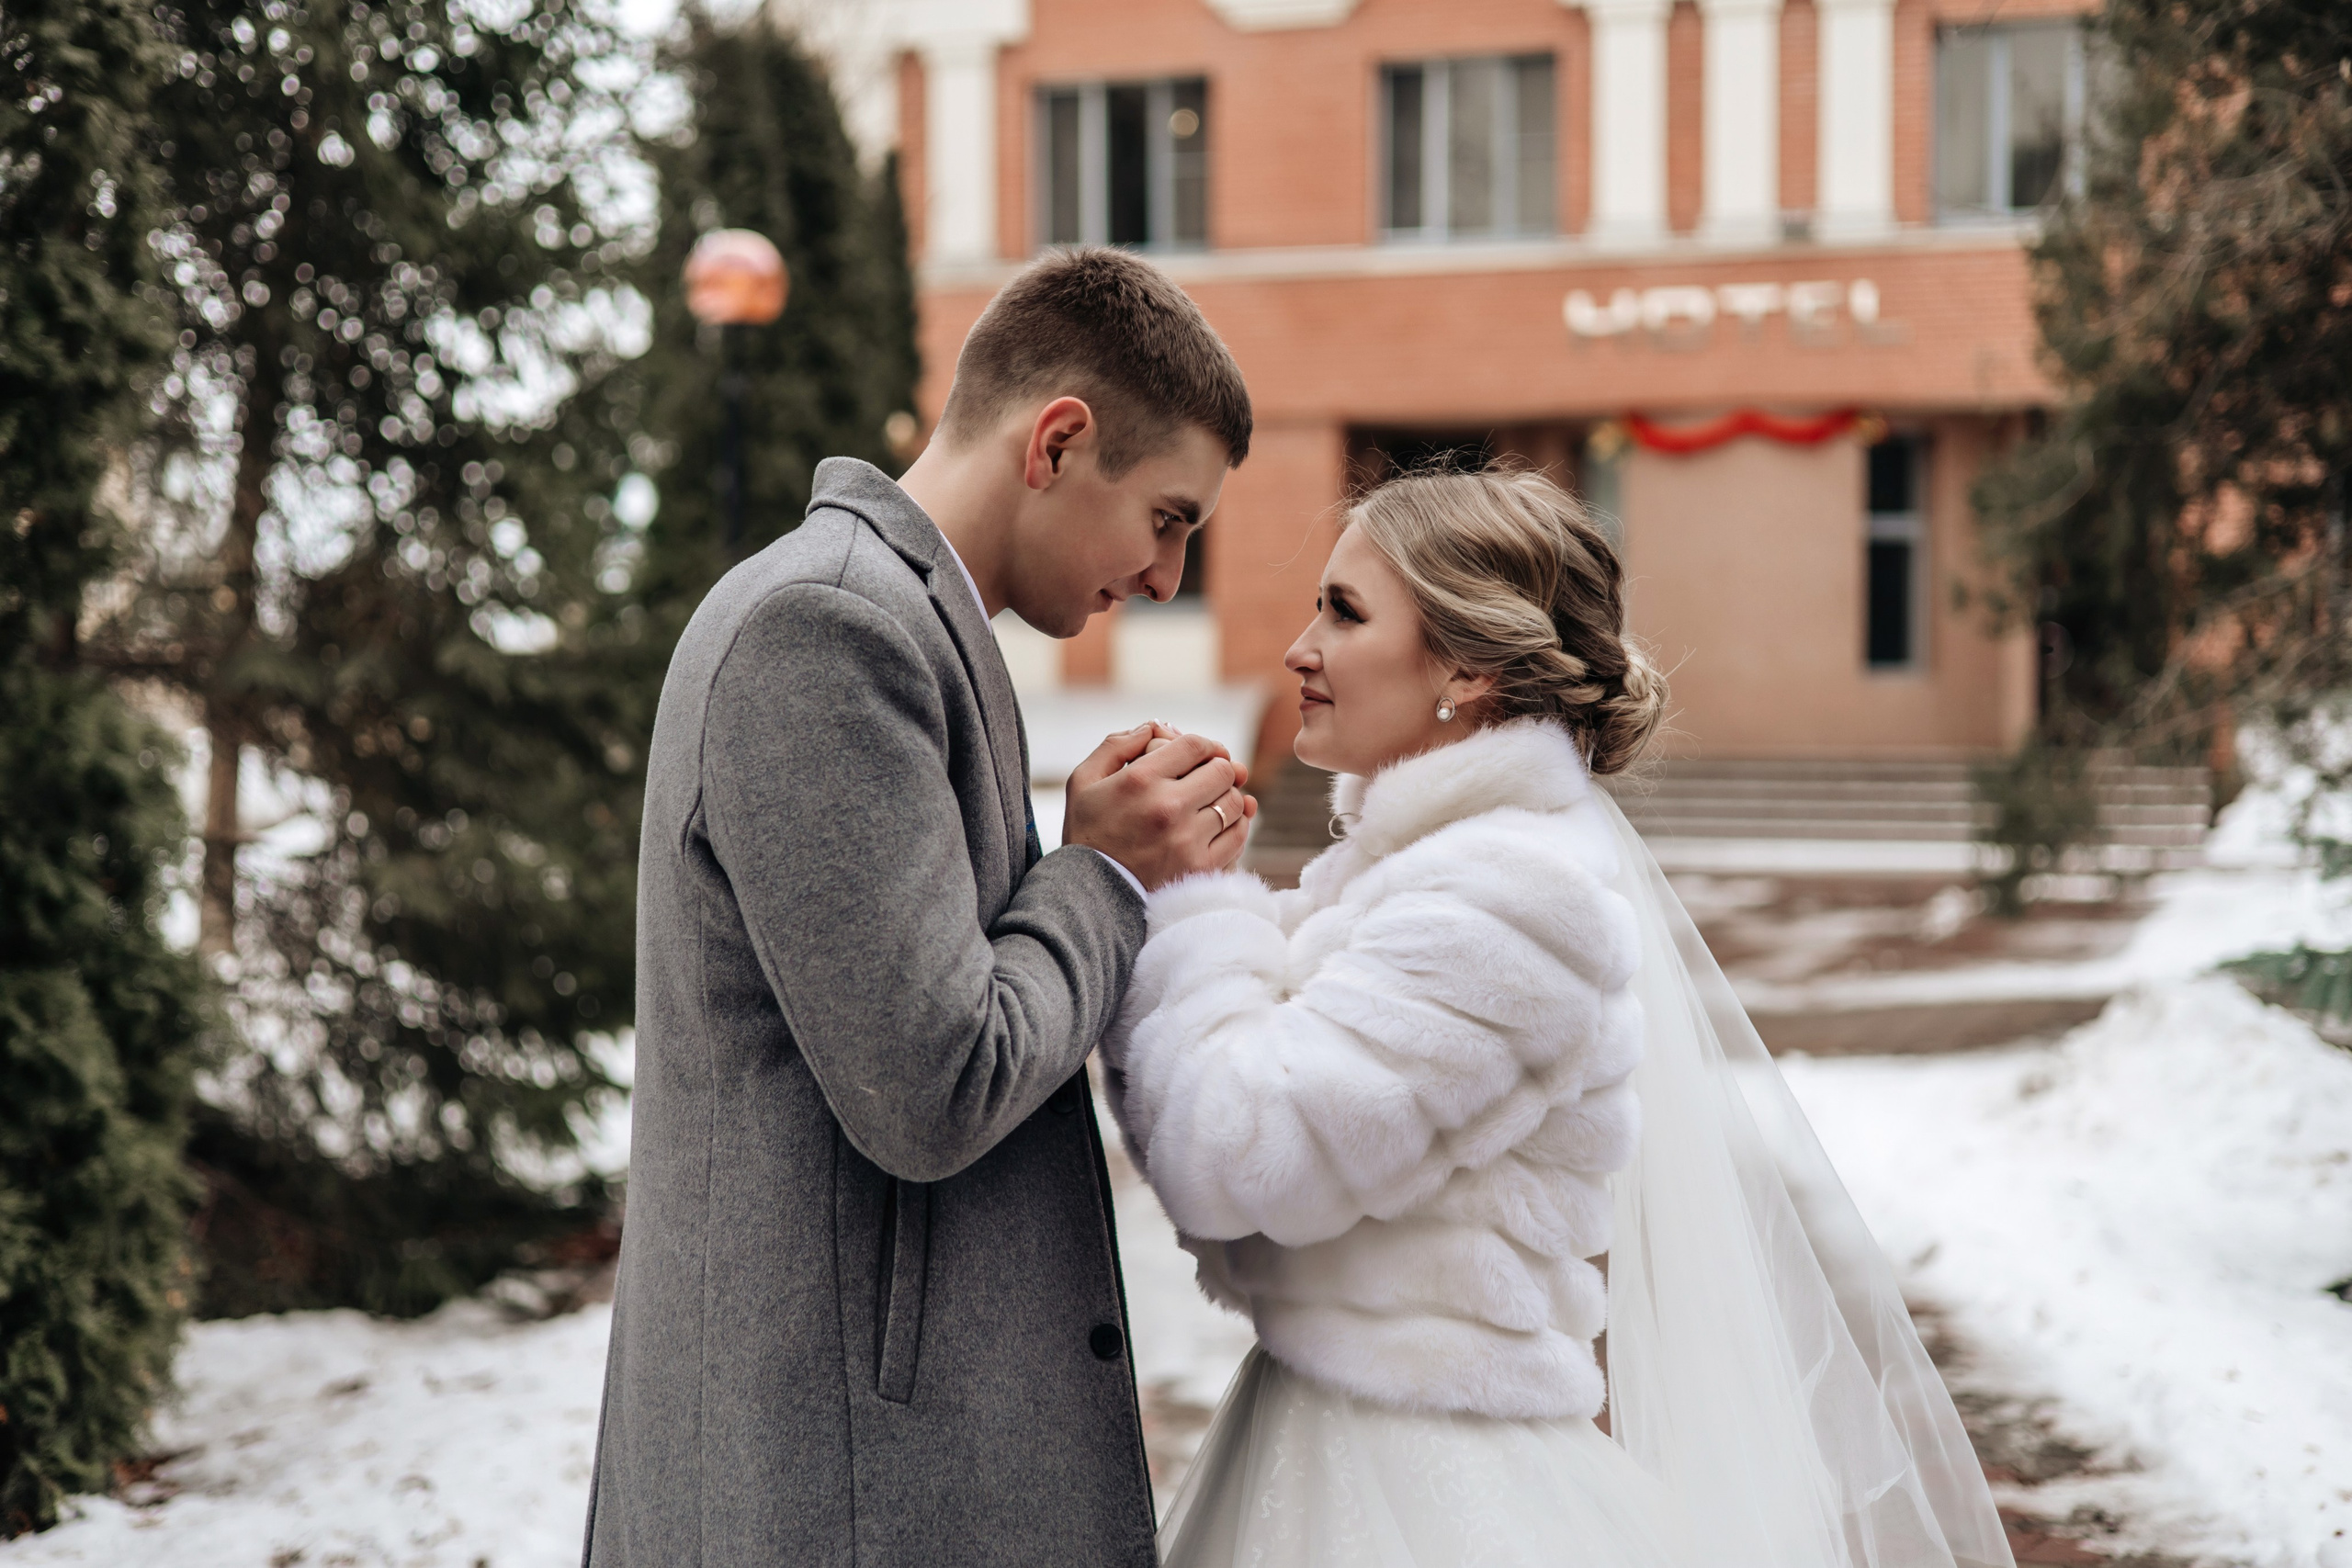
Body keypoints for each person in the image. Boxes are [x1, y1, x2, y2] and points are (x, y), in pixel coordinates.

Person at [1103, 465, 2018, 1568]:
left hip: (1427, 1493)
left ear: (1470, 669)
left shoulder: (1505, 896)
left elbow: (1236, 1157)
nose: (1300, 648)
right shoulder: (1426, 875)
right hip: (1351, 1437)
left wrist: (1188, 907)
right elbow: (1255, 1194)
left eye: (1344, 613)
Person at [582, 248, 1257, 1568]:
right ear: (1059, 440)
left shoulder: (907, 622)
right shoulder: (830, 631)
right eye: (1170, 516)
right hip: (831, 1491)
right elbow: (934, 1081)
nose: (1169, 574)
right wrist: (1110, 875)